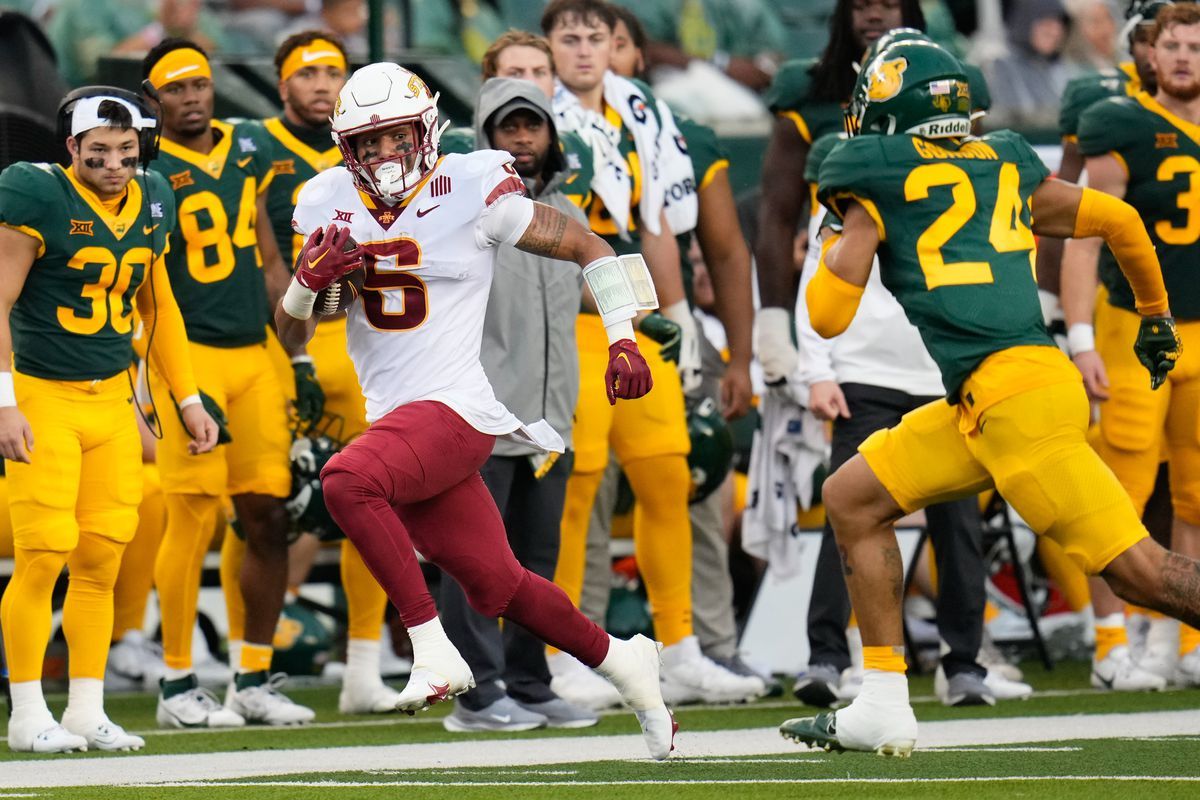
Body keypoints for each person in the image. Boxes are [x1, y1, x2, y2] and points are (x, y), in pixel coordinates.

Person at [780, 38, 1196, 757]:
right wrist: (1155, 315)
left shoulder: (871, 178)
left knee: (1139, 573)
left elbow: (824, 317)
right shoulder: (1002, 159)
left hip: (1015, 406)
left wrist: (836, 227)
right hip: (996, 398)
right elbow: (1121, 223)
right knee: (851, 497)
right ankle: (881, 700)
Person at [274, 61, 675, 761]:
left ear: (424, 131)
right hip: (397, 418)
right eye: (366, 144)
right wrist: (308, 287)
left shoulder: (471, 184)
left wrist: (621, 336)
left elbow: (588, 244)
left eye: (394, 137)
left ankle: (432, 646)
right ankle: (623, 662)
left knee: (345, 481)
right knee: (499, 583)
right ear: (345, 148)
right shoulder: (324, 199)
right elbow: (296, 334)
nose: (382, 156)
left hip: (456, 408)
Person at [543, 0, 761, 706]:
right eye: (568, 38)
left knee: (669, 477)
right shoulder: (533, 114)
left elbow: (660, 224)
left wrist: (677, 316)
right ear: (548, 47)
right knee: (578, 491)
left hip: (633, 317)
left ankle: (682, 647)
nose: (582, 51)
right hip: (571, 316)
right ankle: (563, 653)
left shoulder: (641, 109)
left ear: (618, 45)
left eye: (595, 38)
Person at [0, 87, 218, 752]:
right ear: (70, 148)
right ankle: (27, 710)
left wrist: (186, 398)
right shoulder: (35, 194)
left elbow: (161, 310)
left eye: (126, 151)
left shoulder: (154, 198)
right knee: (42, 556)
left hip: (112, 400)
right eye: (98, 154)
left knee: (101, 559)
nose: (115, 165)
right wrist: (2, 399)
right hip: (42, 395)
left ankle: (85, 709)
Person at [142, 38, 318, 727]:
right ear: (154, 100)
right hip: (188, 358)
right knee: (193, 516)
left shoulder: (246, 151)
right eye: (175, 89)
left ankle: (252, 674)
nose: (192, 98)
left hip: (252, 353)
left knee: (270, 516)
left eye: (199, 85)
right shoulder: (146, 165)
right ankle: (177, 679)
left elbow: (269, 257)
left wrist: (294, 351)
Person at [437, 77, 601, 733]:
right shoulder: (462, 212)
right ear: (485, 138)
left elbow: (580, 295)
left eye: (532, 126)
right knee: (476, 562)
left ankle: (529, 681)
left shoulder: (570, 214)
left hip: (549, 418)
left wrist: (639, 324)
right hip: (481, 416)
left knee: (536, 563)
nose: (523, 139)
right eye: (509, 128)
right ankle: (474, 695)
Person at [254, 29, 405, 715]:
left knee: (372, 507)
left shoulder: (384, 149)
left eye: (333, 72)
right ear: (281, 83)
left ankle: (363, 664)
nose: (321, 84)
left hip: (369, 340)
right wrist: (301, 347)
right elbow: (263, 260)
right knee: (270, 508)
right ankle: (243, 666)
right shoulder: (251, 151)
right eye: (306, 72)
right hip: (285, 342)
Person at [1062, 1, 1200, 689]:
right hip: (1137, 330)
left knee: (1195, 497)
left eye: (1194, 47)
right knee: (1119, 495)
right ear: (1150, 50)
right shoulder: (1121, 122)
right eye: (1171, 44)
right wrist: (1080, 335)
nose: (1181, 57)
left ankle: (1175, 641)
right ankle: (1115, 640)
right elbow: (1085, 237)